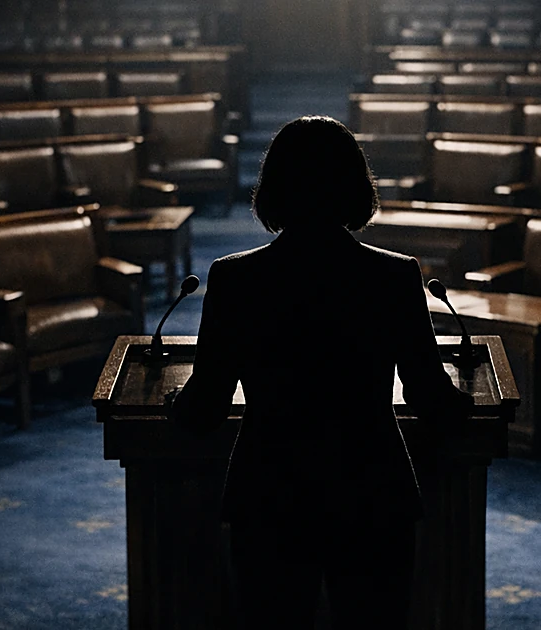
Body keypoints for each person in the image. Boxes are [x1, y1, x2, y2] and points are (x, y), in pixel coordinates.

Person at [167, 115, 473, 630]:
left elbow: (205, 408)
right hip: (373, 491)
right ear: (355, 187)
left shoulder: (233, 279)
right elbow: (431, 400)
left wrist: (176, 403)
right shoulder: (395, 275)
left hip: (269, 494)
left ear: (273, 189)